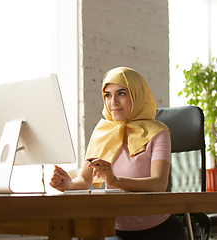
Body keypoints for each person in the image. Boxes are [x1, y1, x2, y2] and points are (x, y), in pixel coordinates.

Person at [50, 67, 187, 240]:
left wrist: (115, 181)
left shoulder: (158, 132)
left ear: (136, 95)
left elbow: (158, 184)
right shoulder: (102, 131)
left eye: (121, 93)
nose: (112, 102)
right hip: (115, 231)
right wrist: (68, 185)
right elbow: (85, 179)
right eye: (107, 95)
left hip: (159, 229)